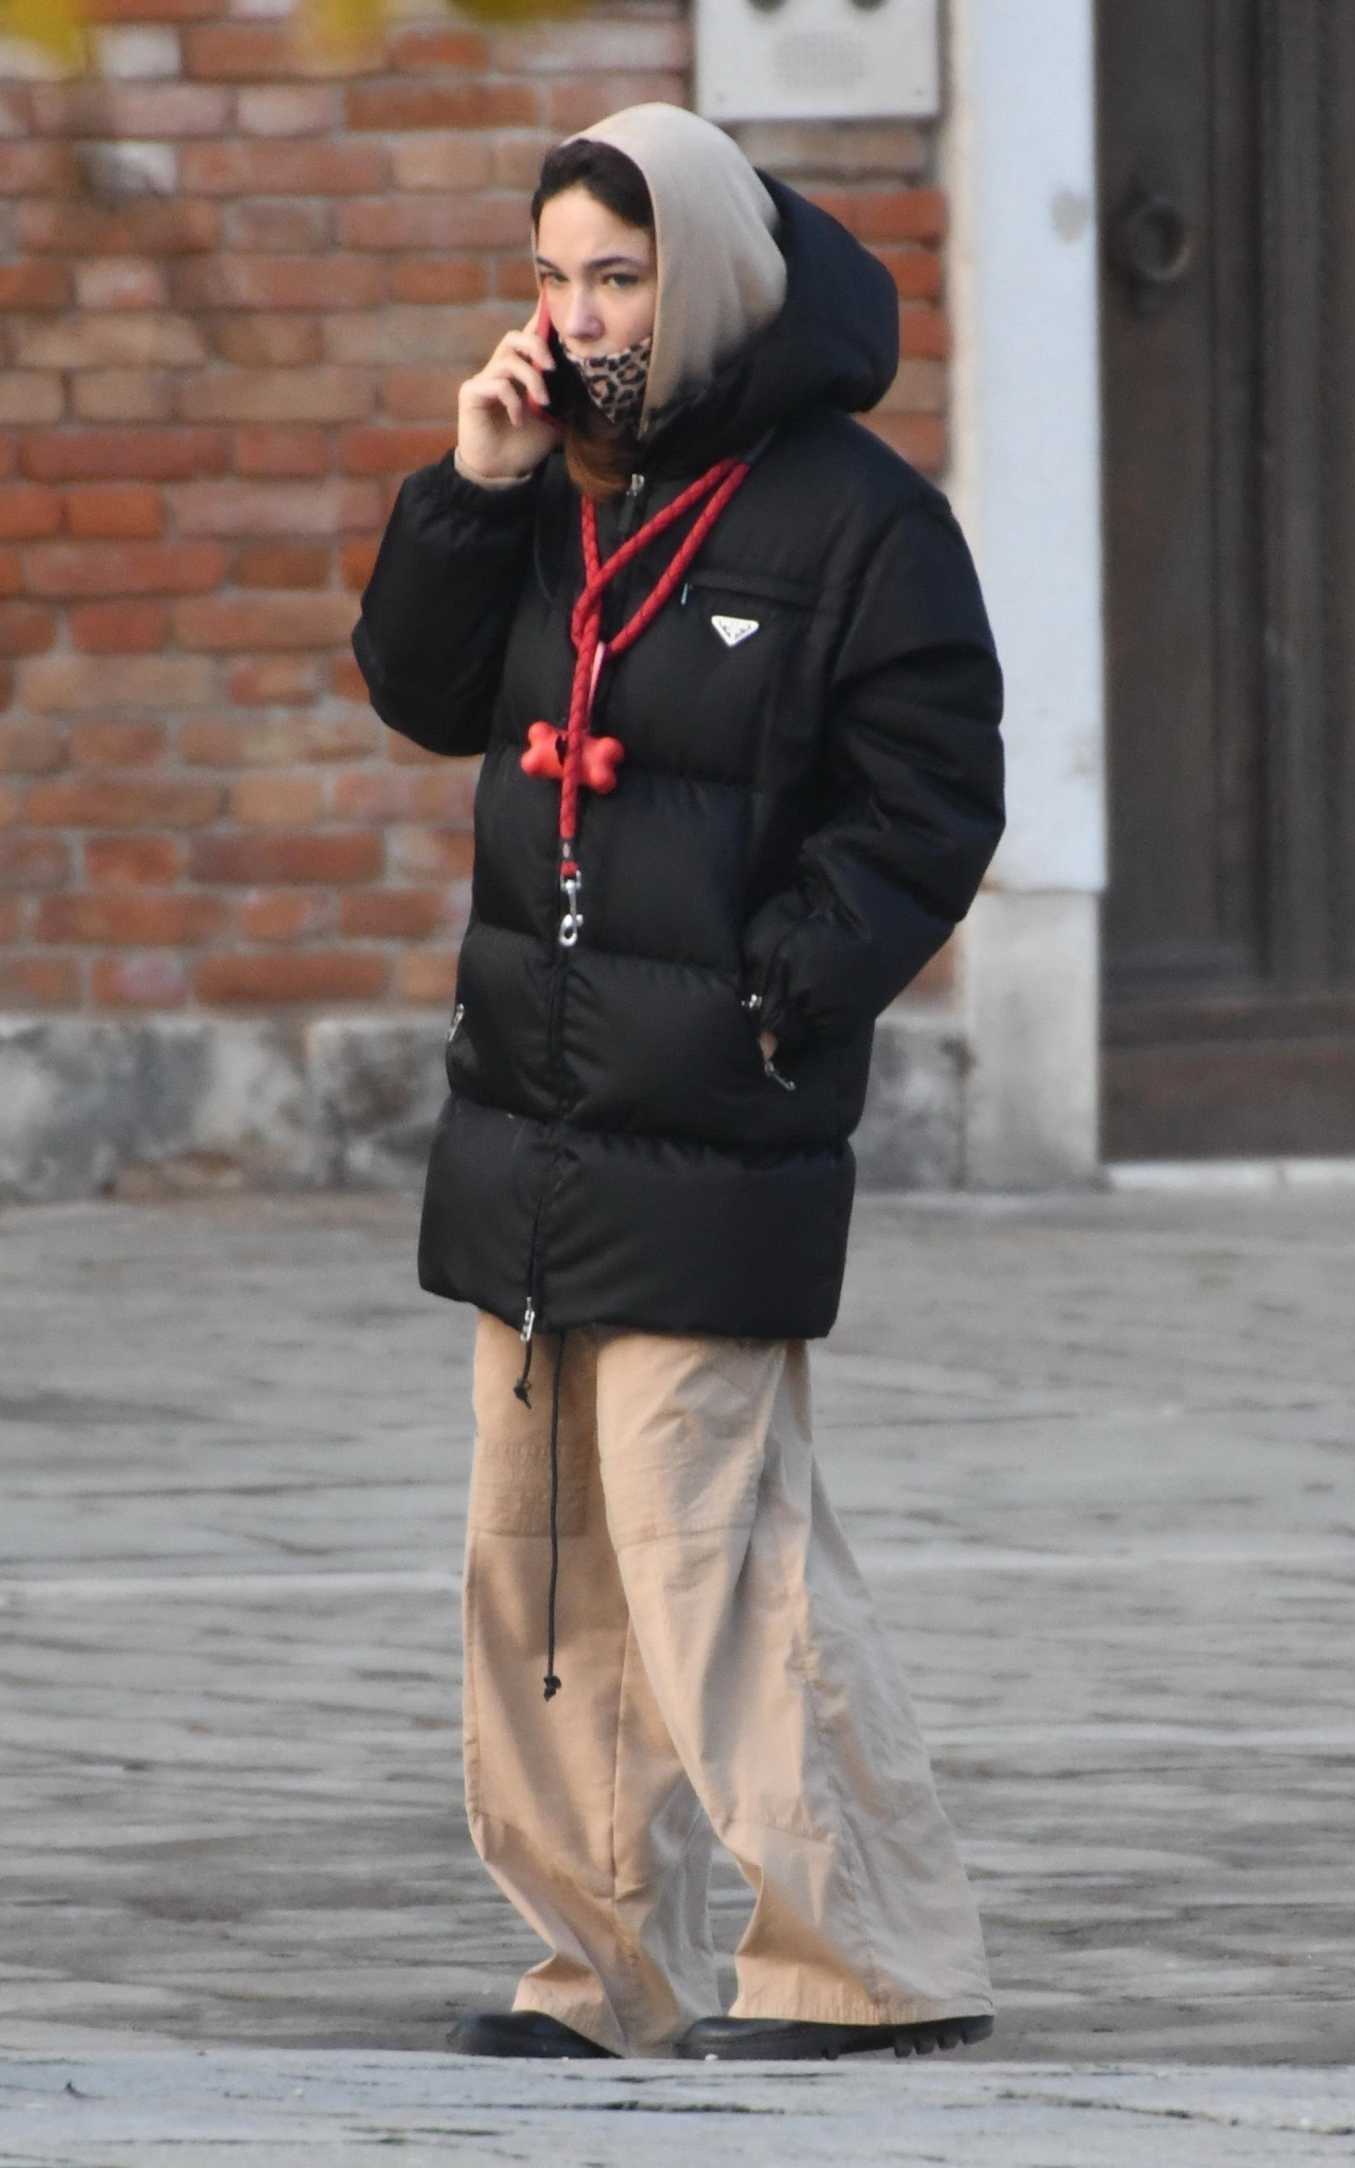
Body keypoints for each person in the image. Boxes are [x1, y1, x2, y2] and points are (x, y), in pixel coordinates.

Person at [352, 102, 1006, 2064]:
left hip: (715, 1110)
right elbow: (419, 688)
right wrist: (471, 490)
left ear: (702, 276)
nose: (576, 315)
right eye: (552, 275)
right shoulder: (551, 482)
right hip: (533, 1119)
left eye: (617, 277)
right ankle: (599, 1967)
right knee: (537, 1568)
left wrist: (773, 989)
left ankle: (867, 1957)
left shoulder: (853, 517)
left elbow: (928, 802)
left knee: (713, 1555)